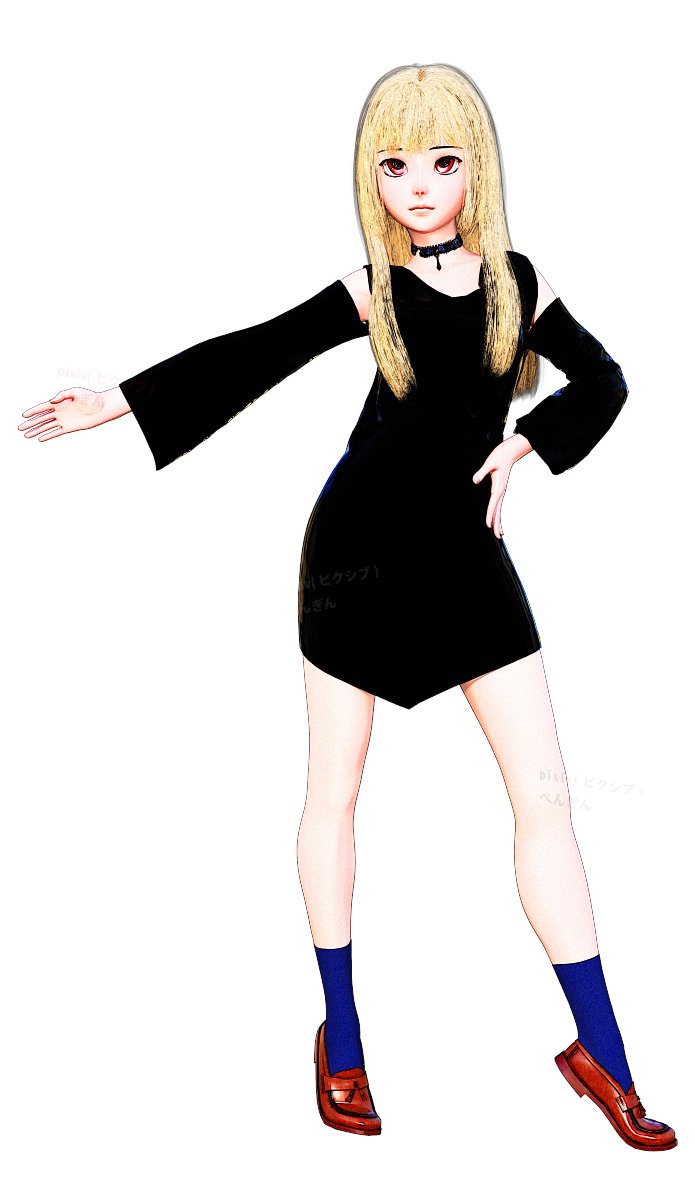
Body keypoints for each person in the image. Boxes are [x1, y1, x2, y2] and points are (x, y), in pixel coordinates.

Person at [18, 62, 676, 1151]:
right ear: (372, 178)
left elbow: (603, 379)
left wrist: (528, 441)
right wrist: (120, 401)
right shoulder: (370, 286)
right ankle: (342, 1033)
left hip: (467, 567)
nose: (418, 185)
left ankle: (600, 1050)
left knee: (545, 799)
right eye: (394, 164)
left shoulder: (517, 282)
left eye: (442, 162)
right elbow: (252, 355)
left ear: (474, 170)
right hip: (355, 565)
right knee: (334, 794)